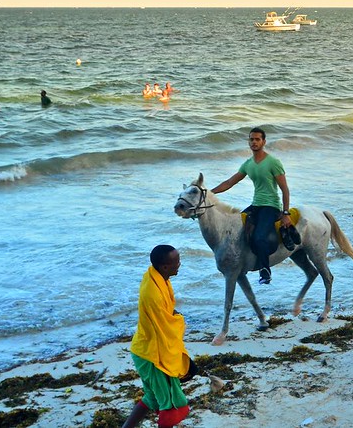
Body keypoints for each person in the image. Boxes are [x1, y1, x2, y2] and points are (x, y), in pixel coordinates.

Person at [211, 127, 299, 284]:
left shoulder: (273, 162)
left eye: (257, 139)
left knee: (259, 237)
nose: (254, 142)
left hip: (271, 206)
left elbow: (285, 189)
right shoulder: (248, 164)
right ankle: (242, 262)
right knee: (236, 229)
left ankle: (265, 271)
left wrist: (285, 213)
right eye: (251, 139)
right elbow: (229, 182)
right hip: (256, 205)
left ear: (264, 142)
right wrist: (209, 193)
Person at [122, 245, 197, 428]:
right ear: (164, 266)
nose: (179, 264)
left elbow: (164, 316)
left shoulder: (155, 276)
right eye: (176, 262)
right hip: (152, 356)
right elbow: (166, 328)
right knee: (171, 405)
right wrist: (179, 319)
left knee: (153, 398)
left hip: (144, 348)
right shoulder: (153, 293)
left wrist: (172, 314)